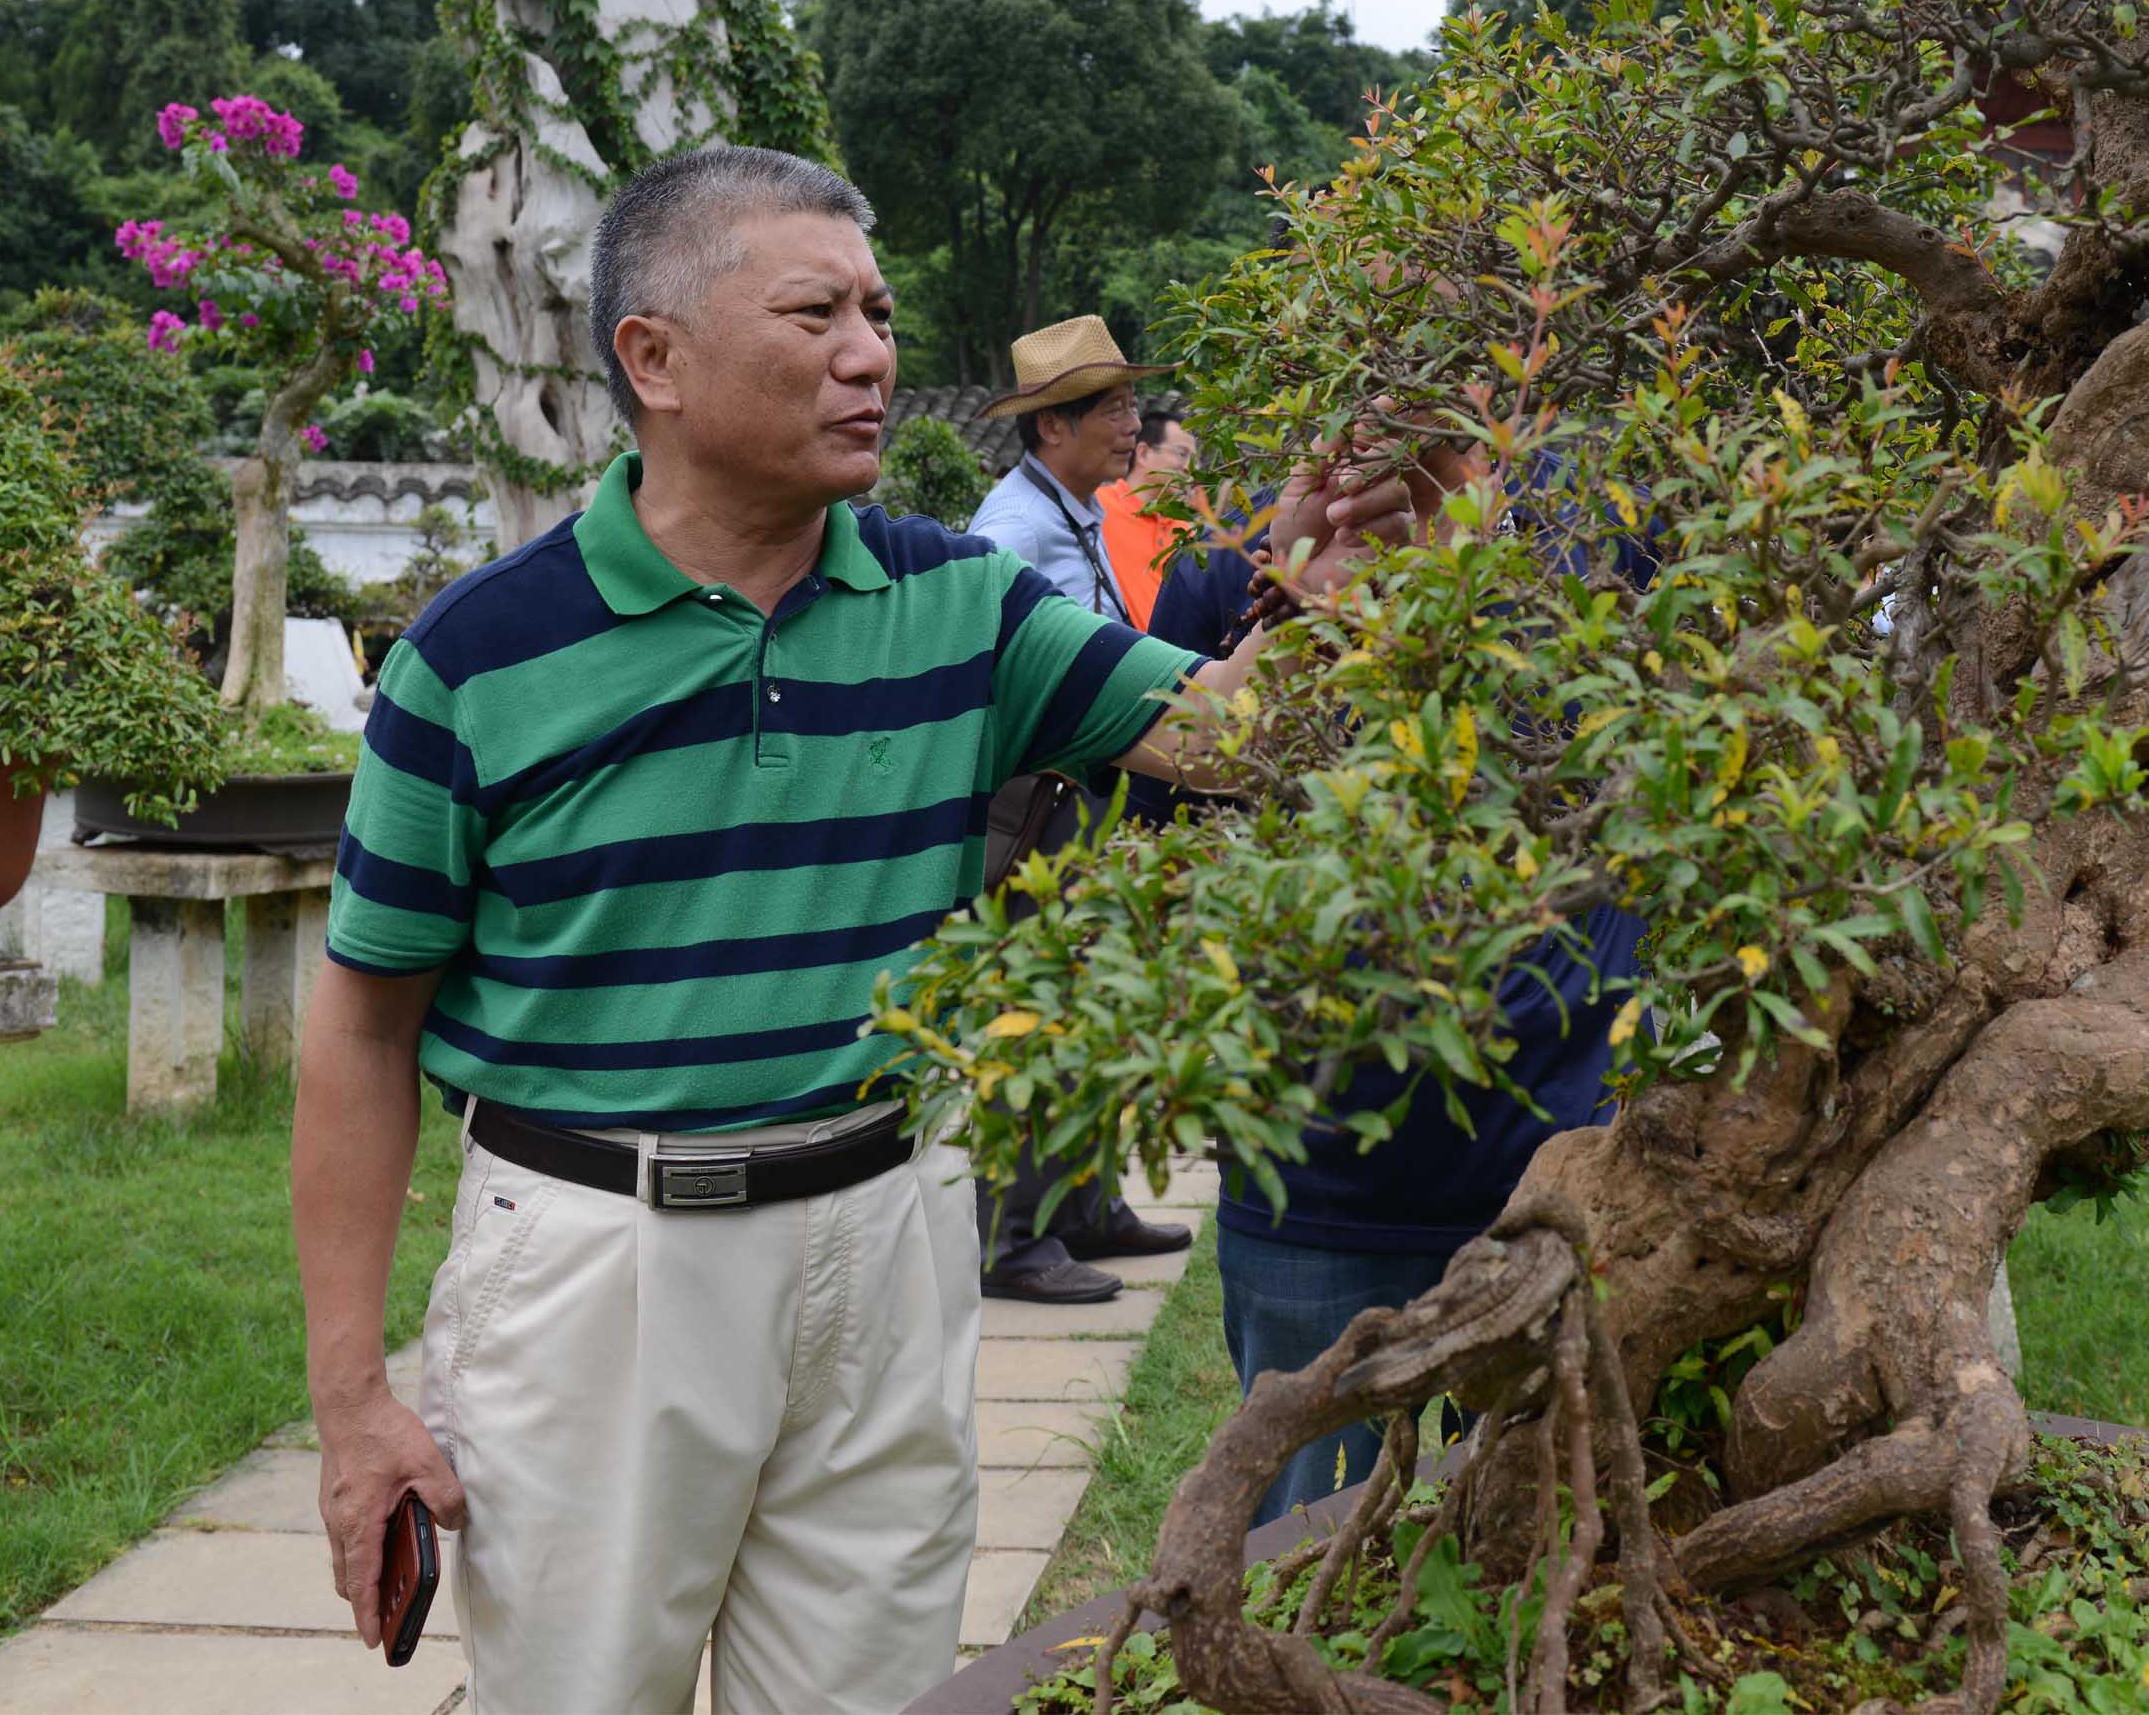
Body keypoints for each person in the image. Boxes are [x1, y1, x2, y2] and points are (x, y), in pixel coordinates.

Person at [290, 147, 1411, 1715]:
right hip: (599, 1265)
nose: (873, 354)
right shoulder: (483, 658)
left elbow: (1227, 744)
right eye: (815, 312)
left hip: (887, 1232)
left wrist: (1319, 586)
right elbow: (360, 1022)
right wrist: (352, 1403)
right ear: (653, 358)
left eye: (878, 312)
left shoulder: (957, 604)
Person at [1144, 452, 1641, 1524]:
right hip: (1315, 1193)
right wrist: (1305, 616)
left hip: (1560, 1168)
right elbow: (1165, 817)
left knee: (1544, 1540)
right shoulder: (1236, 547)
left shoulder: (1604, 516)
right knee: (1306, 1558)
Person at [958, 317, 1195, 1302]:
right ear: (1050, 426)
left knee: (1090, 1007)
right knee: (1032, 1013)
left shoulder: (1073, 509)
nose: (1131, 425)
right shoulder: (1012, 533)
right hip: (1029, 811)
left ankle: (1084, 1204)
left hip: (1077, 801)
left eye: (1131, 403)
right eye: (1112, 407)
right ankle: (1011, 1239)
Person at [1095, 411, 1195, 628]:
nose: (1189, 467)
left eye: (1194, 459)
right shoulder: (1100, 508)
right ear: (1143, 453)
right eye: (1181, 453)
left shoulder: (1184, 531)